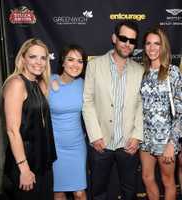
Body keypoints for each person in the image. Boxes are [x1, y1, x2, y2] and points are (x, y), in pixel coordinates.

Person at [82, 20, 144, 200]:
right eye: (123, 38)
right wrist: (94, 135)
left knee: (130, 191)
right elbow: (87, 102)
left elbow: (141, 104)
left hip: (128, 144)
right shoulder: (94, 65)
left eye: (132, 41)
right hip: (101, 143)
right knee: (99, 192)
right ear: (114, 38)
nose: (127, 44)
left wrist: (137, 135)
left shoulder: (139, 70)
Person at [3, 38, 57, 200]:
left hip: (41, 160)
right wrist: (24, 169)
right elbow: (12, 131)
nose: (38, 62)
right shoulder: (17, 83)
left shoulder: (36, 83)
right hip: (26, 162)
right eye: (33, 57)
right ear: (23, 58)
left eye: (43, 58)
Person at [140, 26, 182, 200]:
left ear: (163, 46)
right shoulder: (141, 72)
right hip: (145, 137)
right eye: (148, 43)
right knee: (147, 178)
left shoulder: (172, 72)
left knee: (167, 181)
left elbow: (180, 111)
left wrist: (172, 143)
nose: (152, 48)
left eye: (156, 43)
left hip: (166, 139)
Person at [48, 44, 87, 200]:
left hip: (77, 146)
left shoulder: (83, 84)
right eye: (70, 59)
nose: (75, 65)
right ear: (62, 62)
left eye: (80, 61)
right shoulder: (47, 81)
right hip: (55, 147)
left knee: (79, 193)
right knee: (58, 192)